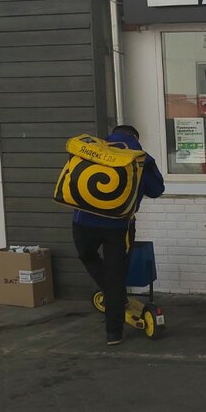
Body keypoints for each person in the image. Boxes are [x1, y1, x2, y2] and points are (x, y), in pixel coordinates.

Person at [72, 125, 165, 345]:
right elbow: (156, 190)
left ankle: (114, 293)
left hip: (84, 222)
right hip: (119, 227)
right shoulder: (141, 159)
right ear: (135, 138)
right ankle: (113, 332)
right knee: (115, 277)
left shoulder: (91, 151)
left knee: (87, 256)